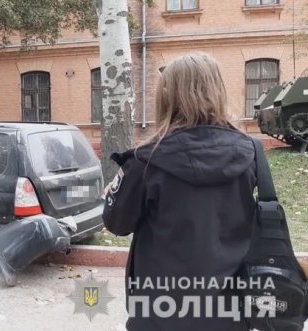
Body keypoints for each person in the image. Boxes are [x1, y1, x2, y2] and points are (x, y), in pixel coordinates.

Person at [102, 53, 256, 330]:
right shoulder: (251, 154)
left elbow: (116, 223)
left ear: (166, 98)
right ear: (218, 91)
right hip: (229, 311)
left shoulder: (143, 162)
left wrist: (113, 195)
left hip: (159, 311)